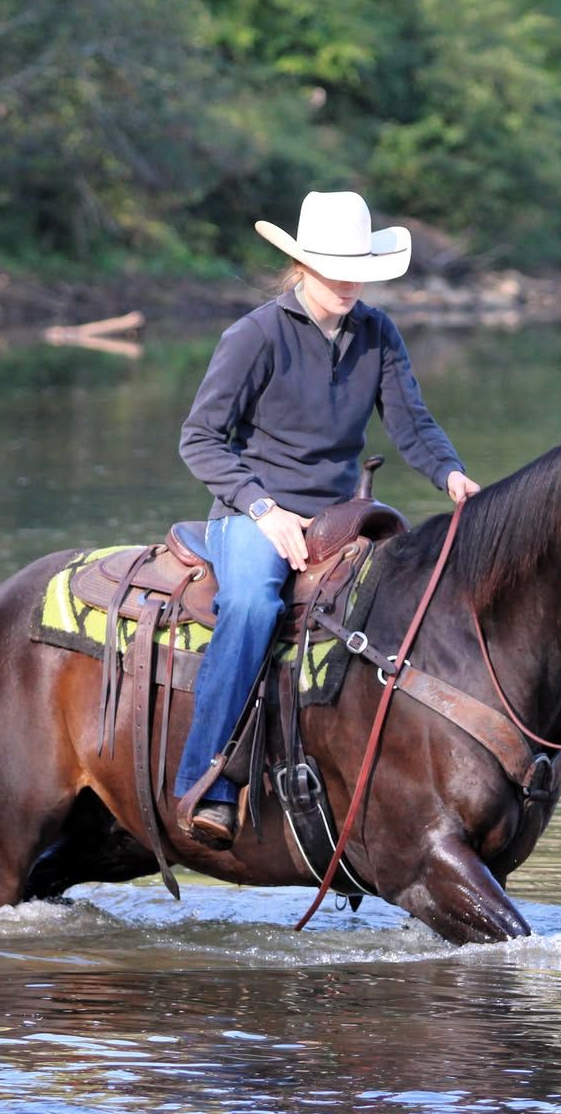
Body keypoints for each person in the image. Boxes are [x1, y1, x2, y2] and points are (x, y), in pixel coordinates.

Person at [174, 190, 482, 847]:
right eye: (333, 265)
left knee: (401, 607)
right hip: (249, 510)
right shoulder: (254, 335)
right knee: (254, 606)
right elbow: (200, 439)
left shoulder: (378, 333)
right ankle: (207, 782)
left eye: (356, 266)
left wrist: (451, 473)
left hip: (340, 517)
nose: (347, 279)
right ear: (303, 264)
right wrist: (262, 508)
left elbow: (411, 423)